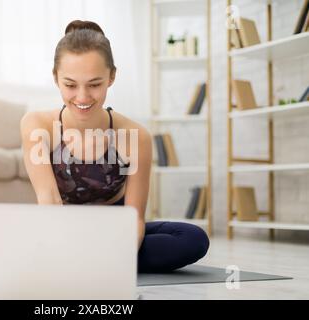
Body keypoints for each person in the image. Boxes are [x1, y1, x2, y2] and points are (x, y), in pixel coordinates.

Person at [20, 20, 209, 273]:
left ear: (112, 77)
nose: (83, 97)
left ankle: (79, 260)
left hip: (114, 229)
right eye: (70, 84)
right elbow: (49, 200)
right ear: (56, 78)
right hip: (60, 225)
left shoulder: (135, 136)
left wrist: (121, 254)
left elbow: (134, 219)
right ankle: (91, 258)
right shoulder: (37, 124)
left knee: (192, 239)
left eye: (94, 84)